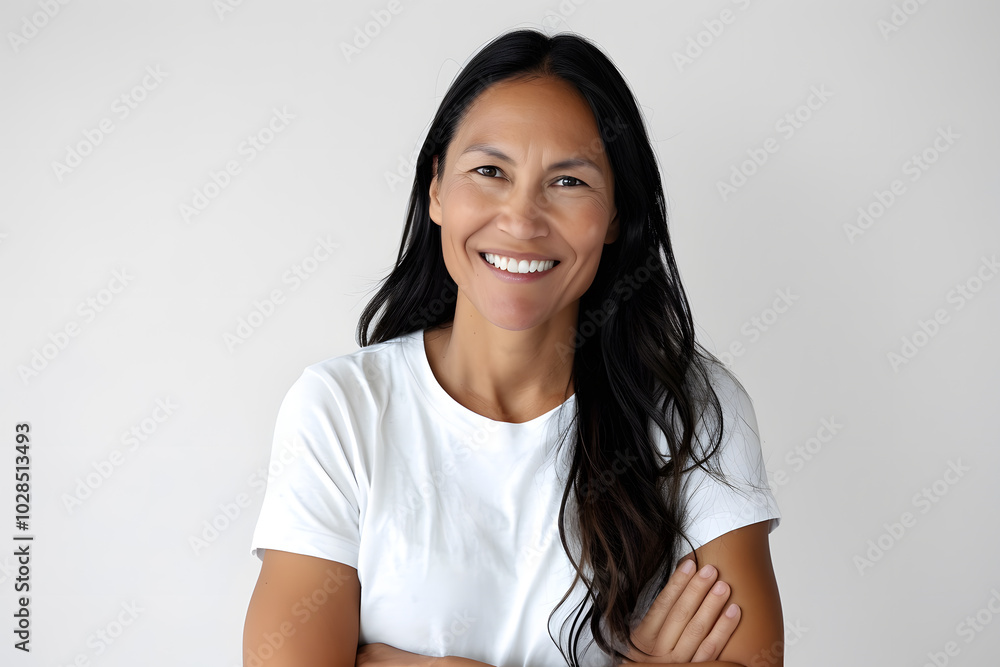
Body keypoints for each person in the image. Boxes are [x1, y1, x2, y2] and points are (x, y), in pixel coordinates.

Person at [243, 27, 782, 667]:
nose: (522, 221)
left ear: (616, 213)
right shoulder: (340, 410)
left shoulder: (689, 407)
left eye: (569, 181)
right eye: (490, 171)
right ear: (436, 188)